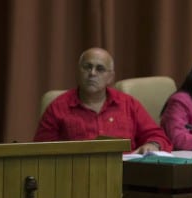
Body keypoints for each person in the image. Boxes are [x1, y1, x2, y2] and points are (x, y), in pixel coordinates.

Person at [34, 47, 172, 154]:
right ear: (78, 71)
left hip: (126, 179)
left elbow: (157, 136)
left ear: (110, 77)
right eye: (87, 67)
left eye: (100, 69)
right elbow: (40, 151)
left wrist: (153, 145)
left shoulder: (128, 104)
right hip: (75, 179)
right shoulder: (58, 107)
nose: (92, 73)